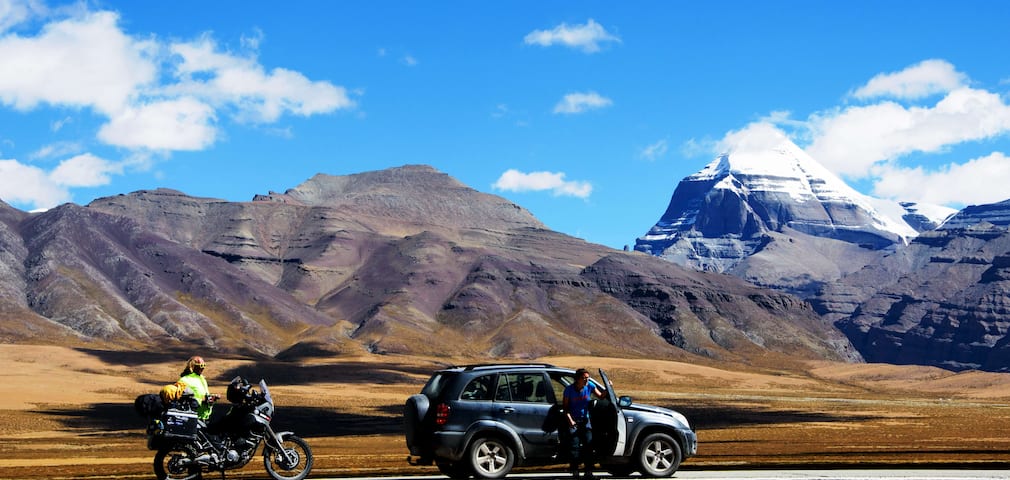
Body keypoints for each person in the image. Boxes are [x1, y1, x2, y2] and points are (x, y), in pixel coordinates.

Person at [563, 368, 605, 479]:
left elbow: (601, 396)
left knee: (589, 446)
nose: (586, 380)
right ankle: (575, 471)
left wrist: (608, 387)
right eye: (584, 378)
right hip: (573, 422)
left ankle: (588, 471)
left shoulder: (590, 386)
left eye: (587, 378)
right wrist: (570, 421)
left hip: (586, 422)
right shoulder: (569, 390)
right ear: (577, 379)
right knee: (574, 446)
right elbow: (565, 408)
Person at [176, 355, 220, 420]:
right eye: (201, 366)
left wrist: (210, 398)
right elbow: (182, 399)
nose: (203, 368)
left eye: (204, 365)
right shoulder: (184, 380)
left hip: (204, 417)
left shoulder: (202, 379)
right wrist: (204, 399)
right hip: (193, 418)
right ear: (193, 366)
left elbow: (203, 395)